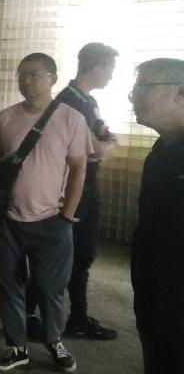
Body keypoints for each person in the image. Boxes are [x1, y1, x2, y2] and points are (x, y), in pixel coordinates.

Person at [0, 53, 87, 374]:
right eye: (21, 75)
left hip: (52, 220)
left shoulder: (71, 118)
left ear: (52, 78)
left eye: (33, 74)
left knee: (50, 287)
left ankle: (54, 340)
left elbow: (78, 169)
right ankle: (16, 346)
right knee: (9, 284)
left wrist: (67, 216)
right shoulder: (5, 118)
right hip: (7, 218)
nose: (25, 81)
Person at [109, 58, 184, 374]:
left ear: (181, 92)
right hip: (159, 303)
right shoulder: (163, 151)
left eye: (144, 87)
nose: (133, 96)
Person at [26, 42, 120, 341]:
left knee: (80, 255)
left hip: (86, 187)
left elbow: (101, 138)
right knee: (64, 255)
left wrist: (104, 142)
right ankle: (31, 315)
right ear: (96, 67)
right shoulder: (71, 103)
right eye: (110, 69)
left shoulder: (86, 100)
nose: (111, 76)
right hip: (74, 189)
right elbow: (99, 149)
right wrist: (107, 145)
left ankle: (75, 317)